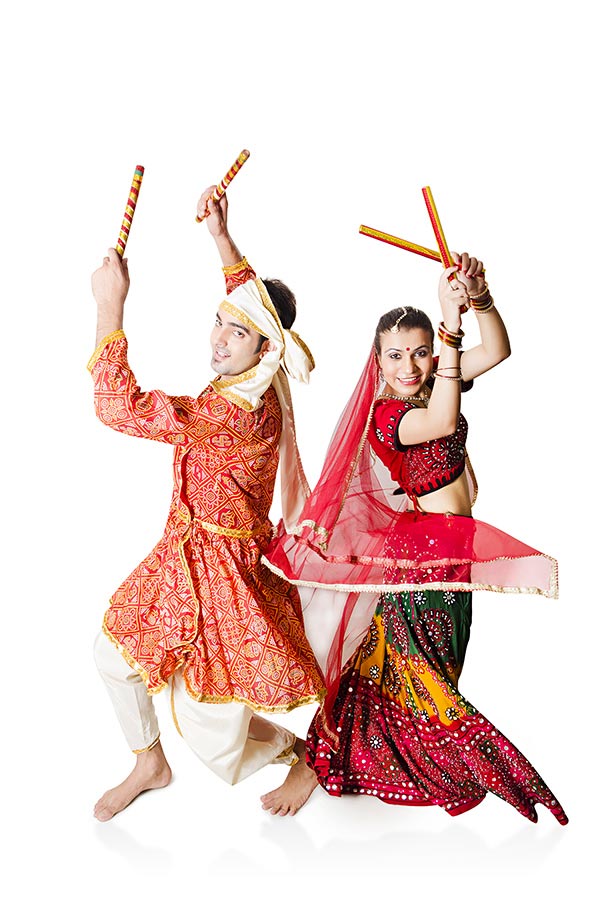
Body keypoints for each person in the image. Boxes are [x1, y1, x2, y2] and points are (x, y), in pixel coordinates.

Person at [265, 252, 567, 824]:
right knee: (421, 678)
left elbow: (498, 349)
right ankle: (325, 758)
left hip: (458, 553)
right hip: (422, 562)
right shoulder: (388, 417)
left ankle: (354, 750)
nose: (410, 365)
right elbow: (444, 424)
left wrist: (479, 297)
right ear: (377, 363)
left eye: (421, 351)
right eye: (396, 355)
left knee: (438, 669)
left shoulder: (435, 384)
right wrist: (450, 325)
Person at [89, 187, 324, 822]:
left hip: (223, 576)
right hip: (181, 557)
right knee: (114, 654)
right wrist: (223, 238)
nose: (219, 338)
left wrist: (110, 308)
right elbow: (252, 301)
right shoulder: (258, 373)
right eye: (219, 319)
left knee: (213, 733)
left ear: (264, 348)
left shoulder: (228, 412)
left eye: (236, 331)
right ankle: (148, 761)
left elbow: (118, 407)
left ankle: (306, 754)